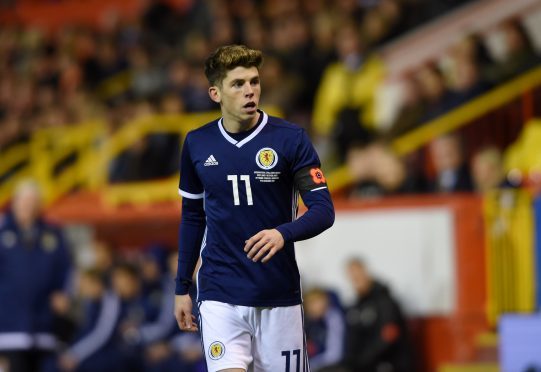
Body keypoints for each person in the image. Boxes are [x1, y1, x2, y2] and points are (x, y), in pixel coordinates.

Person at [174, 44, 335, 372]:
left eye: (254, 81)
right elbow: (192, 217)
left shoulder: (291, 139)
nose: (250, 91)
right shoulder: (197, 143)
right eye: (238, 84)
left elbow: (323, 210)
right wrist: (181, 288)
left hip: (277, 295)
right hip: (220, 292)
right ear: (215, 93)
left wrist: (282, 234)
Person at [0, 180, 72, 372]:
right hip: (8, 329)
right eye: (24, 202)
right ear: (14, 203)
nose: (28, 208)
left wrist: (64, 293)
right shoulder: (2, 233)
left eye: (33, 203)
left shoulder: (52, 235)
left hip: (44, 326)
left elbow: (67, 269)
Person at [342, 259, 414, 372]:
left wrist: (361, 361)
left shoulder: (385, 301)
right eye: (353, 278)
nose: (357, 280)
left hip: (388, 364)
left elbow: (389, 335)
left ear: (366, 272)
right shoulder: (355, 307)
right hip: (362, 364)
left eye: (359, 275)